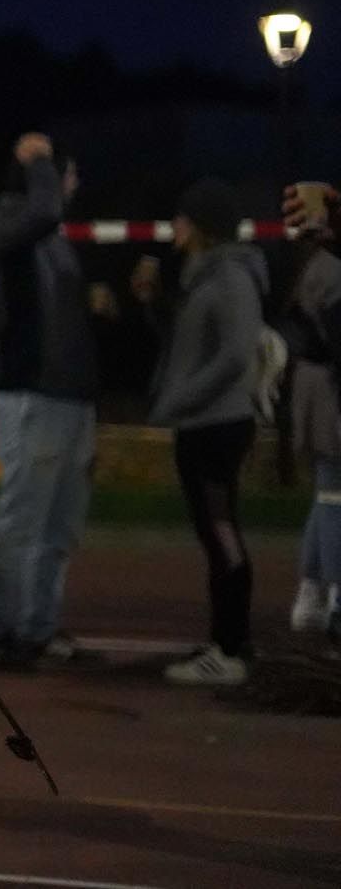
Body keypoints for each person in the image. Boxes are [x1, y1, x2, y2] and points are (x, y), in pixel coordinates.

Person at [0, 133, 101, 669]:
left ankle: (38, 630)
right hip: (31, 394)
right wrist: (40, 160)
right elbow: (45, 207)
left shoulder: (49, 235)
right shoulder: (7, 222)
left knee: (58, 527)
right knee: (22, 522)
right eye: (66, 173)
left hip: (69, 397)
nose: (72, 185)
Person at [137, 177, 267, 685]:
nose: (175, 225)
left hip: (217, 426)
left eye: (183, 217)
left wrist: (178, 400)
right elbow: (188, 347)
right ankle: (226, 641)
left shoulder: (231, 276)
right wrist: (152, 303)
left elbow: (235, 357)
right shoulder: (202, 275)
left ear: (204, 226)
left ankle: (231, 649)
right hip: (201, 423)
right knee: (214, 534)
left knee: (221, 532)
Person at [280, 182, 341, 636]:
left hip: (311, 385)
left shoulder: (305, 262)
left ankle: (313, 591)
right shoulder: (329, 267)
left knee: (327, 493)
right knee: (334, 495)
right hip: (329, 386)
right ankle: (331, 591)